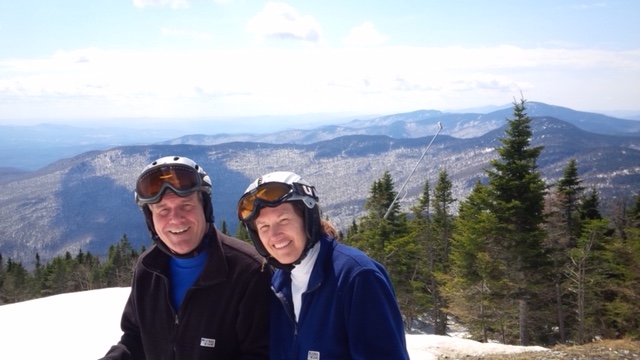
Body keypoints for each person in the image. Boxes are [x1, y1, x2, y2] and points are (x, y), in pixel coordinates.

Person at [101, 156, 271, 360]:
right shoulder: (148, 268)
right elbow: (135, 338)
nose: (175, 219)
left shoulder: (248, 271)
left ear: (205, 209)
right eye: (163, 210)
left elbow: (262, 354)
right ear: (151, 219)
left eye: (186, 206)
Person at [236, 171, 410, 360]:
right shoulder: (279, 285)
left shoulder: (357, 277)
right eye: (264, 227)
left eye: (283, 220)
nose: (275, 235)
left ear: (308, 219)